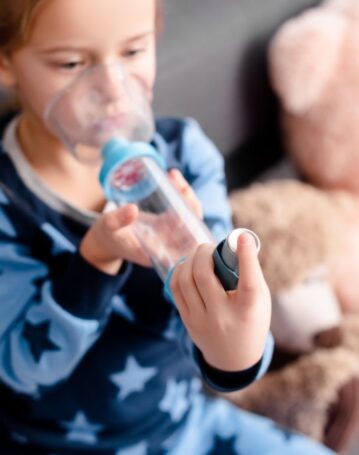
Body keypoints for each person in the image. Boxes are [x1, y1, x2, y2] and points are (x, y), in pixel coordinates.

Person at [0, 0, 335, 454]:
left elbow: (213, 321)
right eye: (72, 63)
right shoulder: (9, 203)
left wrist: (237, 348)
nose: (112, 90)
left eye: (134, 52)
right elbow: (22, 367)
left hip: (185, 425)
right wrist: (95, 262)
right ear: (6, 63)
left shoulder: (186, 154)